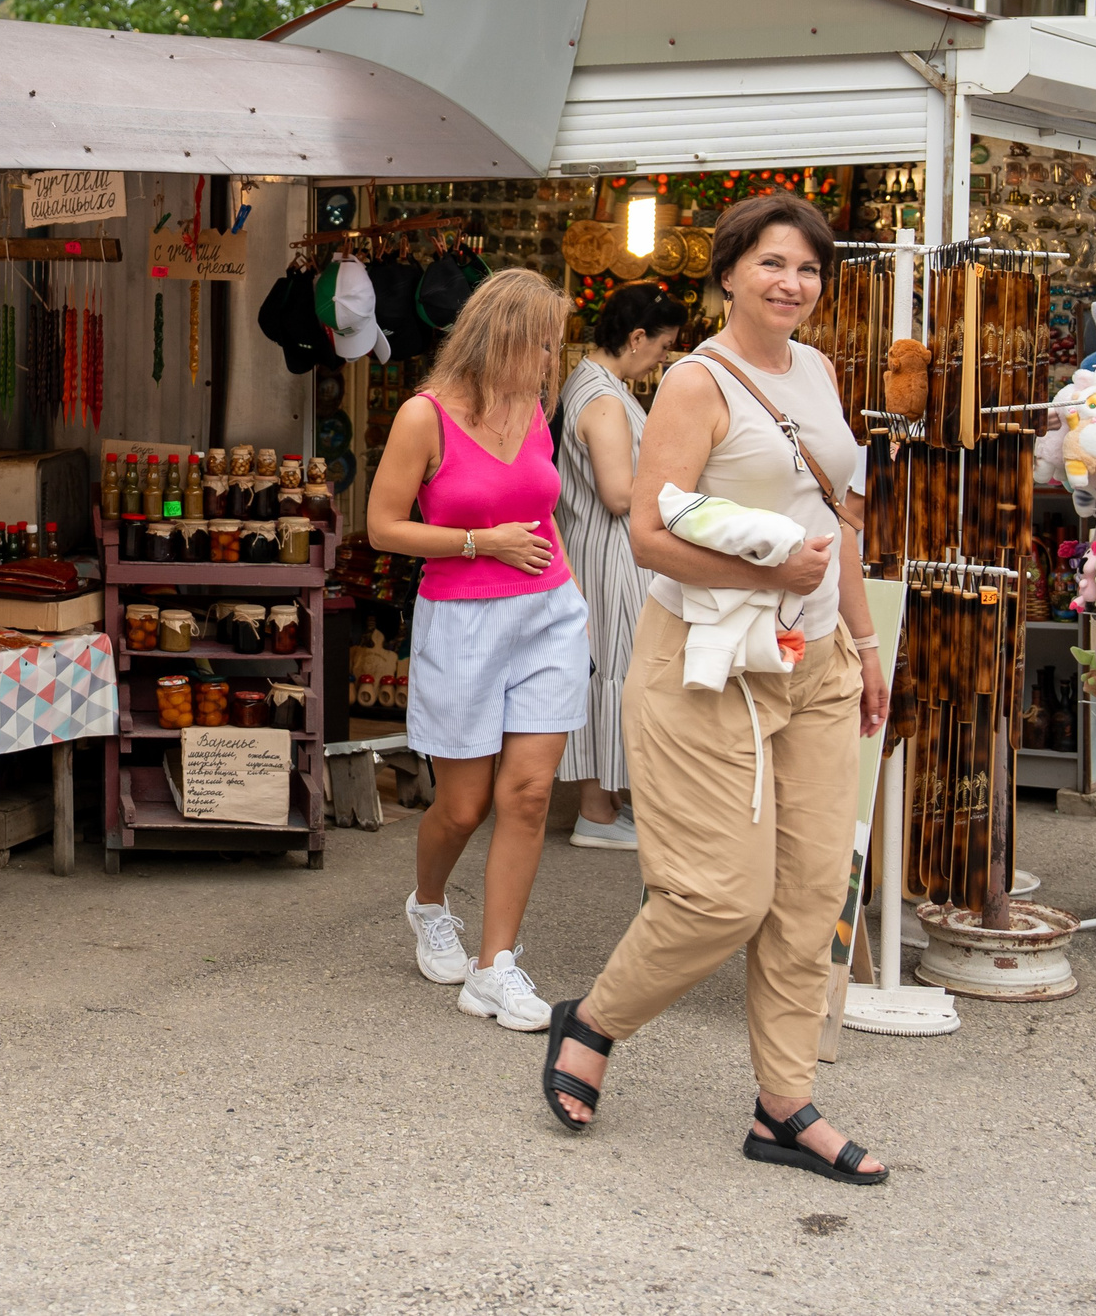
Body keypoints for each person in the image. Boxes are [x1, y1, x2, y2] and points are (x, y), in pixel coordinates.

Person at [541, 193, 892, 1188]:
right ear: (728, 272)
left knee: (810, 888)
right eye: (772, 264)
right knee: (717, 896)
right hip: (706, 659)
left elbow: (841, 523)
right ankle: (594, 1021)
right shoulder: (696, 383)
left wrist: (863, 646)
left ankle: (783, 1106)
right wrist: (764, 578)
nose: (792, 284)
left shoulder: (820, 373)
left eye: (809, 270)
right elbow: (648, 535)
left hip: (814, 661)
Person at [366, 267, 587, 1033]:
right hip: (461, 620)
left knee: (525, 795)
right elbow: (383, 528)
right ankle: (429, 903)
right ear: (499, 338)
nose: (550, 360)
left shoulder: (536, 404)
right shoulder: (423, 417)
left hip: (548, 614)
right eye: (541, 345)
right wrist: (476, 542)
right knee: (461, 807)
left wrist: (570, 591)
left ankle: (496, 968)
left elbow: (539, 505)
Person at [551, 283, 688, 850]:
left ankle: (604, 803)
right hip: (610, 552)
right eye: (661, 347)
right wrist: (680, 494)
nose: (661, 358)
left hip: (598, 547)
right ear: (636, 338)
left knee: (610, 669)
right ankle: (595, 812)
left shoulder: (590, 382)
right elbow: (618, 492)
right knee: (617, 672)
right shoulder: (603, 398)